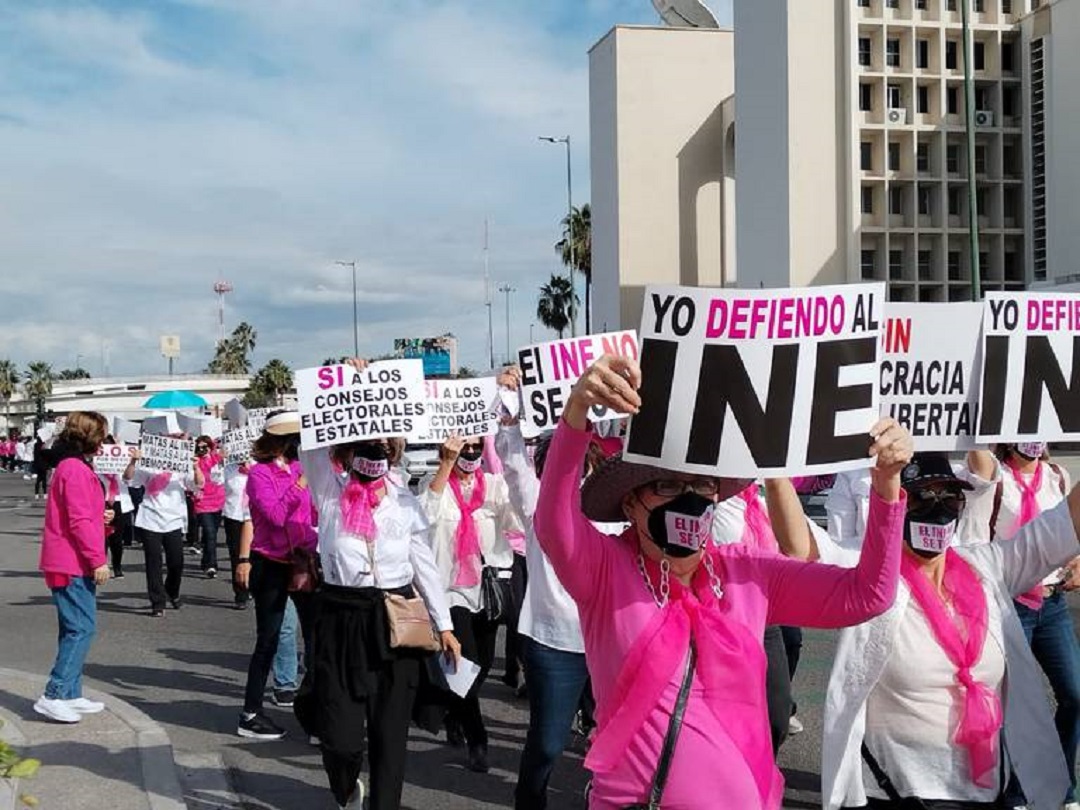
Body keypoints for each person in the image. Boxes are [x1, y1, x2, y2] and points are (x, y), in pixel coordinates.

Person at [534, 354, 911, 810]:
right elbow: (555, 525)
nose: (690, 500)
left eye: (702, 486)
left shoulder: (749, 573)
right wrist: (577, 413)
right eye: (669, 487)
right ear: (631, 505)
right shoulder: (606, 572)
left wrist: (887, 485)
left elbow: (866, 596)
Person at [770, 450, 1080, 810]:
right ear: (899, 504)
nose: (939, 507)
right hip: (896, 792)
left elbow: (1065, 524)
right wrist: (774, 471)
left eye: (950, 496)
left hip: (985, 792)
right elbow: (801, 545)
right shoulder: (869, 572)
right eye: (923, 496)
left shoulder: (987, 567)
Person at [293, 361, 461, 810]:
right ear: (349, 452)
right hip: (340, 618)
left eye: (384, 445)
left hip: (395, 621)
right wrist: (347, 382)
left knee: (390, 735)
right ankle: (346, 787)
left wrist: (443, 625)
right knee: (340, 737)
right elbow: (312, 441)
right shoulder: (329, 491)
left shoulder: (405, 502)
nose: (375, 450)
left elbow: (423, 564)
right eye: (367, 445)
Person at [494, 376, 623, 810]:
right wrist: (510, 408)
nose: (569, 477)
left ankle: (603, 798)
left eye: (579, 467)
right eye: (556, 469)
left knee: (614, 738)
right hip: (554, 645)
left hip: (610, 642)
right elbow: (512, 462)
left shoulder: (614, 512)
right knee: (547, 744)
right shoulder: (537, 508)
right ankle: (529, 801)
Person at [421, 432, 524, 774]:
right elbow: (424, 517)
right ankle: (478, 740)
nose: (469, 454)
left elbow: (518, 519)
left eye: (475, 447)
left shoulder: (494, 485)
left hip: (487, 588)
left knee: (477, 671)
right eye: (462, 448)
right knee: (466, 664)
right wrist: (445, 464)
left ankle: (455, 711)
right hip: (449, 590)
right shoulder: (432, 481)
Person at [987, 442, 1080, 810]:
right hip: (1010, 603)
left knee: (1074, 695)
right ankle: (1016, 793)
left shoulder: (1057, 476)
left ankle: (1061, 786)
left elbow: (1070, 528)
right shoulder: (996, 478)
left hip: (1053, 604)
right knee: (1014, 706)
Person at [237, 411, 316, 741]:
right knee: (268, 639)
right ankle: (251, 714)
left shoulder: (302, 469)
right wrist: (299, 484)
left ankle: (317, 711)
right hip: (270, 563)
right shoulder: (259, 474)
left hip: (301, 560)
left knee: (316, 637)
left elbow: (312, 514)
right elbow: (274, 515)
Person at [34, 411, 113, 724]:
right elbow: (78, 520)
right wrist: (98, 560)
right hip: (72, 562)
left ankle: (70, 692)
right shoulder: (75, 468)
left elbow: (80, 515)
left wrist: (102, 519)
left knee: (73, 628)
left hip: (68, 559)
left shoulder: (70, 466)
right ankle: (54, 693)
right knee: (81, 628)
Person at [124, 424, 200, 617]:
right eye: (169, 437)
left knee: (176, 562)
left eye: (176, 437)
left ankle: (171, 591)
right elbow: (130, 479)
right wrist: (133, 462)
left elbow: (198, 484)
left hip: (174, 519)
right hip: (150, 517)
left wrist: (196, 466)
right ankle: (157, 602)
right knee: (153, 562)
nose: (173, 440)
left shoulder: (183, 464)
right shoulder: (149, 462)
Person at [98, 437, 135, 579]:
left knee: (117, 539)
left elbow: (129, 480)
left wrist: (131, 460)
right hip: (102, 501)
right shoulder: (97, 464)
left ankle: (117, 566)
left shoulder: (123, 462)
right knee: (102, 537)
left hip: (120, 502)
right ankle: (101, 564)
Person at [193, 435, 226, 578]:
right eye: (199, 447)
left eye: (204, 447)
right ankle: (212, 565)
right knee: (210, 532)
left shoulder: (217, 459)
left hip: (218, 501)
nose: (202, 449)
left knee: (209, 535)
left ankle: (206, 559)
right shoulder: (194, 461)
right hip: (202, 502)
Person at [223, 458, 251, 608]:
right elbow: (215, 481)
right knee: (236, 555)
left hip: (254, 518)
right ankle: (240, 594)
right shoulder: (229, 468)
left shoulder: (258, 466)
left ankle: (252, 584)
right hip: (234, 515)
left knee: (253, 554)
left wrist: (250, 469)